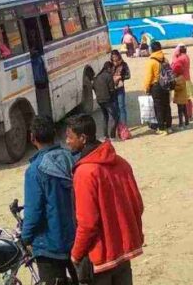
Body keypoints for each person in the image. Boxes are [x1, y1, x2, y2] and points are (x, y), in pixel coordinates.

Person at [66, 114, 144, 285]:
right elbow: (137, 204)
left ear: (83, 138)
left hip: (101, 258)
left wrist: (76, 254)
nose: (67, 141)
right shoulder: (121, 163)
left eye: (70, 137)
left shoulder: (85, 173)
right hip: (124, 253)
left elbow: (87, 224)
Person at [22, 116, 77, 285]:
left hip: (49, 245)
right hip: (78, 239)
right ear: (54, 133)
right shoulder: (73, 159)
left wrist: (25, 238)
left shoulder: (34, 170)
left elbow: (33, 211)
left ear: (32, 138)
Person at [142, 41, 172, 134]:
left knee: (158, 108)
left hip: (156, 87)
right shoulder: (165, 59)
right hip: (166, 85)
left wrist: (146, 88)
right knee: (167, 106)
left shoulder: (151, 61)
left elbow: (148, 77)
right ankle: (169, 127)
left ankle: (162, 128)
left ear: (152, 49)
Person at [93, 62, 119, 139]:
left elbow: (93, 87)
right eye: (112, 69)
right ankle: (112, 135)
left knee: (105, 117)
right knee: (115, 116)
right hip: (107, 100)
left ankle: (105, 135)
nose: (112, 71)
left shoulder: (97, 77)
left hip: (99, 100)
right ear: (108, 68)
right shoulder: (109, 76)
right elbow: (111, 90)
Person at [171, 44, 191, 129]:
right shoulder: (186, 57)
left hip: (182, 81)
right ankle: (188, 118)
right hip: (187, 79)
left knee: (180, 108)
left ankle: (181, 123)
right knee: (187, 101)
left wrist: (175, 56)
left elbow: (174, 68)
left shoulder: (179, 60)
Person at [110, 50, 130, 127]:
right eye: (113, 57)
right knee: (114, 107)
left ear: (119, 56)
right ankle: (116, 125)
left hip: (120, 88)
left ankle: (124, 125)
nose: (114, 58)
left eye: (115, 56)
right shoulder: (110, 65)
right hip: (111, 88)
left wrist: (121, 77)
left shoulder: (123, 64)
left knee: (121, 106)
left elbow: (128, 75)